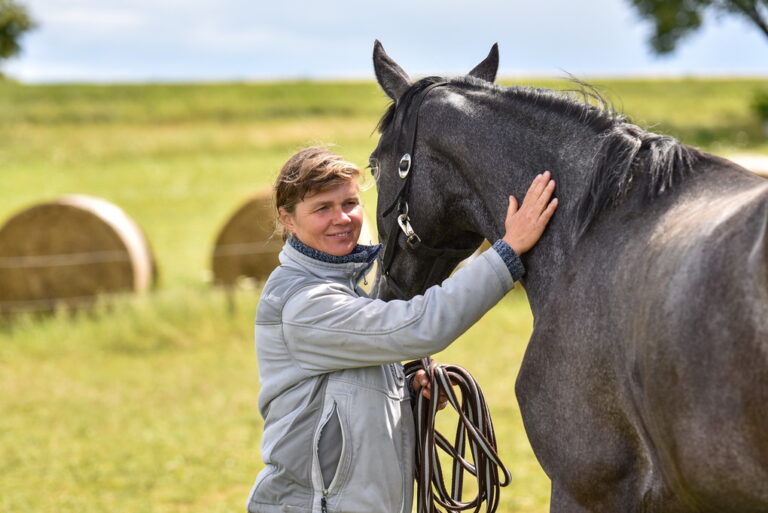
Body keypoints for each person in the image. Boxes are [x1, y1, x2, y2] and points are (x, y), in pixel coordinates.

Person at [246, 147, 557, 513]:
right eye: (322, 208)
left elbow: (342, 398)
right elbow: (419, 326)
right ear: (288, 219)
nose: (342, 218)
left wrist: (407, 394)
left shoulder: (340, 289)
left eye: (349, 202)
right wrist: (507, 252)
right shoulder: (303, 304)